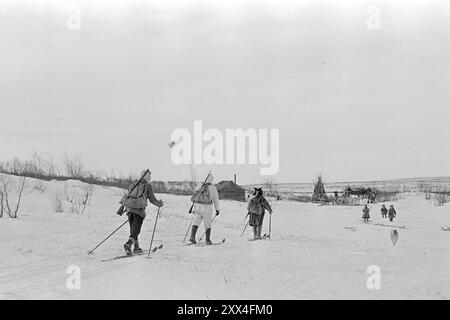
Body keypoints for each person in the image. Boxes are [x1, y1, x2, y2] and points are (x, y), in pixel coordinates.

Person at [119, 170, 163, 255]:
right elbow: (152, 200)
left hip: (129, 209)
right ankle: (128, 244)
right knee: (136, 230)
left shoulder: (132, 185)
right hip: (139, 211)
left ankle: (136, 246)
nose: (150, 178)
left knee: (134, 229)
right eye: (149, 176)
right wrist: (160, 204)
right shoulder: (148, 186)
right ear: (147, 177)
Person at [189, 174, 220, 245]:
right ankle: (207, 240)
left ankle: (192, 236)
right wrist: (217, 209)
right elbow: (215, 199)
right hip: (207, 208)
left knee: (196, 221)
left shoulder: (199, 185)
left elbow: (195, 194)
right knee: (207, 223)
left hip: (197, 207)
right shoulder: (213, 187)